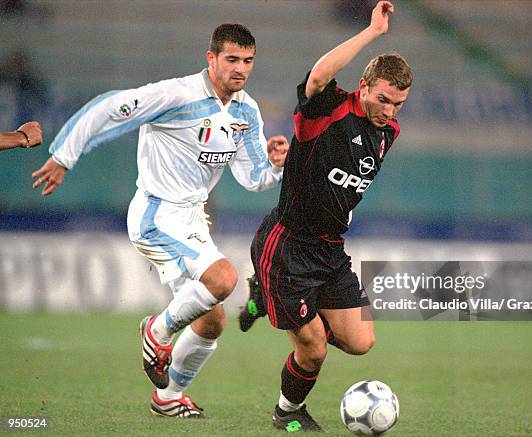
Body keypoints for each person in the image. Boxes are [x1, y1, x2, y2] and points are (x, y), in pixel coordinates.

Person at [32, 24, 289, 418]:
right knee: (223, 279)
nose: (240, 69)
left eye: (248, 61)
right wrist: (65, 155)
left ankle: (167, 398)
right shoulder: (176, 95)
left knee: (212, 322)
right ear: (211, 58)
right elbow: (108, 108)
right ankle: (157, 331)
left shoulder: (245, 110)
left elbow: (252, 178)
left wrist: (274, 166)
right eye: (232, 59)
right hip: (157, 212)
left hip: (192, 218)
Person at [248, 1, 412, 431]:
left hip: (330, 251)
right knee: (314, 348)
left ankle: (263, 298)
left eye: (398, 104)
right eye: (383, 99)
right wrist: (372, 32)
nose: (390, 111)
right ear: (363, 86)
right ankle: (286, 413)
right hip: (287, 247)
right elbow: (318, 76)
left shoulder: (387, 132)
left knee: (362, 342)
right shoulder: (329, 108)